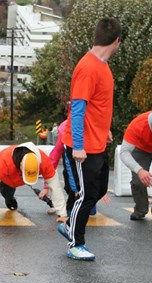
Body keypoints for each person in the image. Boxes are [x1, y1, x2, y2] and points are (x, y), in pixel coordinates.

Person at [57, 17, 121, 261]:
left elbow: (98, 105)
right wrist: (79, 146)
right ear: (116, 41)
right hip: (82, 147)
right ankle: (75, 243)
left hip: (98, 142)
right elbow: (78, 109)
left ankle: (69, 227)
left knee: (98, 191)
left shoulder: (103, 67)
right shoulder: (87, 67)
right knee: (84, 197)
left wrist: (104, 130)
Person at [0, 142, 68, 223]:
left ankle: (9, 198)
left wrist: (62, 214)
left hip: (19, 177)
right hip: (7, 179)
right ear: (21, 165)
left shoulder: (44, 162)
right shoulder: (4, 162)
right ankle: (9, 199)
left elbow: (55, 186)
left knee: (9, 192)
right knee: (6, 192)